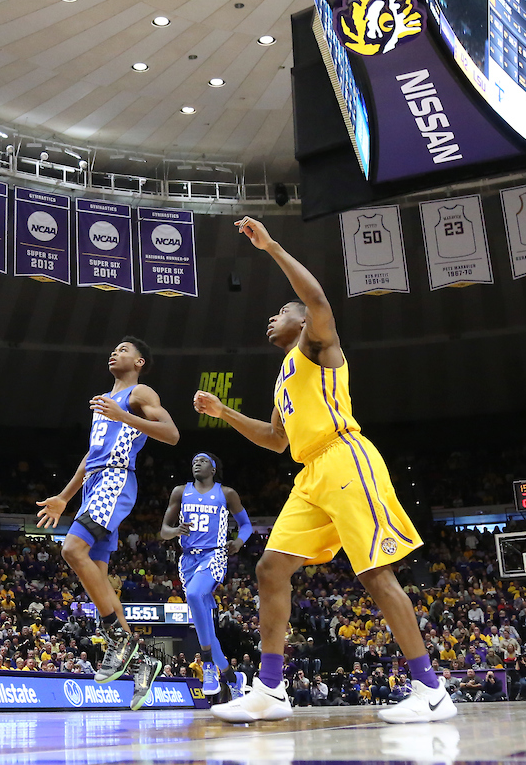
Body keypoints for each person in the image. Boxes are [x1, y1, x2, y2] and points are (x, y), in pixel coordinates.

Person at [198, 216, 455, 725]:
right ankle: (271, 690)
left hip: (347, 458)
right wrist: (225, 413)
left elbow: (317, 299)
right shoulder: (283, 378)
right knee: (270, 569)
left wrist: (269, 246)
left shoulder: (318, 345)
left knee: (374, 573)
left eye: (279, 312)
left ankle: (431, 690)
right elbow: (275, 440)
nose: (271, 320)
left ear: (300, 320)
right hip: (312, 473)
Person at [36, 337, 180, 711]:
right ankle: (144, 661)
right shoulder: (103, 401)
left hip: (116, 480)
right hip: (94, 485)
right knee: (96, 579)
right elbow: (91, 454)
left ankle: (120, 641)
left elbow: (172, 434)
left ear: (139, 361)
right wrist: (65, 497)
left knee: (71, 549)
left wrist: (126, 417)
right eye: (112, 348)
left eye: (123, 349)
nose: (114, 352)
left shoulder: (139, 392)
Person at [160, 452, 251, 696]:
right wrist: (175, 530)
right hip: (189, 559)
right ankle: (233, 679)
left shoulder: (226, 493)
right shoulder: (180, 491)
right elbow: (164, 531)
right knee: (207, 629)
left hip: (214, 555)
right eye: (193, 462)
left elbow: (247, 525)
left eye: (202, 461)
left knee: (193, 593)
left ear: (213, 468)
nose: (196, 463)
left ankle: (208, 664)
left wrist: (239, 542)